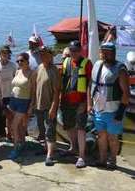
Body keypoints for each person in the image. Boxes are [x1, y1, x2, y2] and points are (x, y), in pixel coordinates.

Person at [91, 42, 129, 169]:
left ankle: (113, 160)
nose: (105, 55)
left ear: (114, 53)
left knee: (113, 137)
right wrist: (89, 104)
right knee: (101, 136)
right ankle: (102, 159)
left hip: (113, 110)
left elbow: (126, 93)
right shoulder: (97, 64)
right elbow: (90, 85)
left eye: (109, 52)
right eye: (104, 52)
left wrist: (120, 113)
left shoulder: (120, 69)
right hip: (98, 109)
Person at [60, 40, 93, 168]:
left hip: (80, 101)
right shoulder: (66, 61)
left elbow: (90, 83)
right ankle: (73, 147)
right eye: (71, 50)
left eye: (76, 51)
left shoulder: (86, 63)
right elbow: (63, 81)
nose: (73, 53)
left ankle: (81, 156)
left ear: (80, 51)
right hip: (66, 100)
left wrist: (87, 103)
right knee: (68, 125)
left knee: (80, 128)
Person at [8, 53, 36, 160]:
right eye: (18, 61)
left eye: (22, 60)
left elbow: (33, 91)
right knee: (20, 126)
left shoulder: (32, 73)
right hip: (13, 100)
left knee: (14, 126)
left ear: (27, 61)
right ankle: (22, 144)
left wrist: (31, 106)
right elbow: (14, 86)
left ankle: (15, 149)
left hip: (24, 102)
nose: (19, 62)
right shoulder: (17, 71)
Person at [35, 46, 60, 166]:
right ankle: (45, 149)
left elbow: (57, 91)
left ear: (50, 56)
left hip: (49, 105)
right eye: (40, 54)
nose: (42, 56)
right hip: (39, 105)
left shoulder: (53, 70)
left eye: (44, 54)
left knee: (50, 130)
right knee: (42, 129)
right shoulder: (39, 67)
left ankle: (50, 155)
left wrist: (54, 107)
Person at [0, 45, 17, 141]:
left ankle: (9, 134)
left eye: (7, 53)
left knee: (10, 115)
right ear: (0, 53)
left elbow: (16, 77)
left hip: (10, 94)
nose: (5, 54)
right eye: (3, 53)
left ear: (9, 54)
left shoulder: (13, 65)